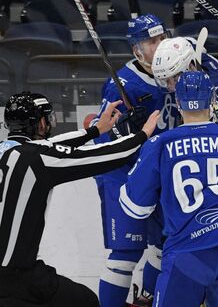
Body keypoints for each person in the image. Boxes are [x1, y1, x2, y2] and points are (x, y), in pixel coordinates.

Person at [120, 71, 218, 307]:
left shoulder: (160, 143)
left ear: (179, 102)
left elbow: (135, 207)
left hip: (188, 255)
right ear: (211, 99)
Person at [0, 92, 159, 307]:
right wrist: (142, 135)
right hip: (16, 278)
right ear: (39, 123)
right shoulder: (38, 159)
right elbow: (106, 156)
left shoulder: (9, 150)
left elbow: (52, 144)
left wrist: (95, 130)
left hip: (15, 275)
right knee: (86, 301)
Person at [92, 13, 179, 307]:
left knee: (165, 243)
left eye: (161, 38)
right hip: (122, 173)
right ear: (136, 50)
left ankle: (145, 299)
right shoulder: (122, 84)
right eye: (151, 42)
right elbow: (102, 136)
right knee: (127, 253)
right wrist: (123, 129)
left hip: (157, 172)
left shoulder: (174, 66)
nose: (159, 45)